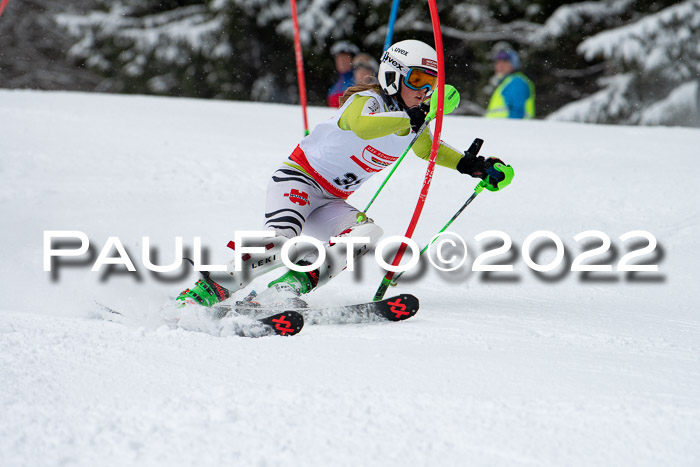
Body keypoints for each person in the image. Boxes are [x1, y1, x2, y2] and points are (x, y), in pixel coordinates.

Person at [177, 39, 512, 308]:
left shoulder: (413, 121)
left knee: (367, 234)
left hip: (331, 200)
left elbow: (428, 149)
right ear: (393, 76)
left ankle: (286, 289)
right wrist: (407, 120)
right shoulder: (367, 101)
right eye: (418, 81)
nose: (424, 92)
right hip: (299, 180)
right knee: (281, 243)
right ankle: (206, 292)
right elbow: (361, 127)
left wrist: (472, 166)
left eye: (431, 85)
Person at [484, 43, 535, 119]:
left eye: (504, 62)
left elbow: (518, 111)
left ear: (514, 63)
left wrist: (510, 129)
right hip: (499, 129)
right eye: (497, 62)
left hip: (509, 130)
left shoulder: (517, 82)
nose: (500, 65)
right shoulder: (507, 82)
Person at [327, 41, 360, 107]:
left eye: (345, 58)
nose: (341, 62)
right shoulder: (335, 85)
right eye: (339, 59)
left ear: (352, 60)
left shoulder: (359, 81)